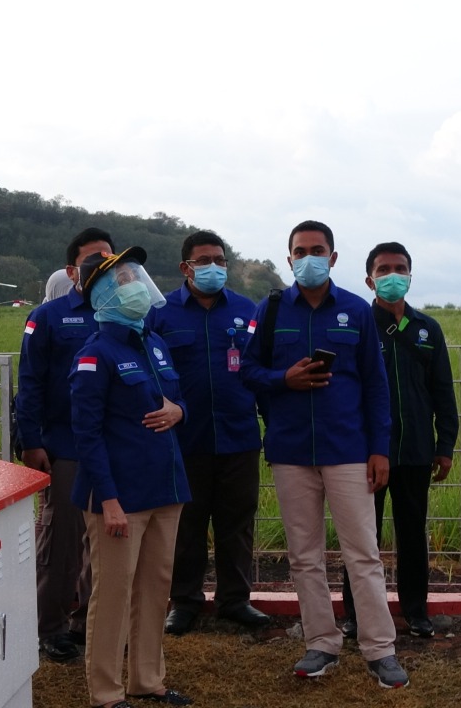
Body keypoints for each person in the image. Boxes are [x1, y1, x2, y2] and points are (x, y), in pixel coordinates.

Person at [239, 220, 409, 689]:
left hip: (349, 450)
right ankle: (321, 642)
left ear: (333, 258)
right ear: (288, 256)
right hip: (291, 451)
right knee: (304, 556)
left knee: (364, 553)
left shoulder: (355, 311)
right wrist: (282, 379)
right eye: (300, 251)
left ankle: (380, 649)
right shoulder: (270, 311)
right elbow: (247, 369)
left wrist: (380, 449)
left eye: (317, 250)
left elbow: (377, 388)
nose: (308, 258)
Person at [71, 247, 194, 708]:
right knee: (115, 593)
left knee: (155, 587)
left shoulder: (155, 343)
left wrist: (180, 410)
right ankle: (106, 691)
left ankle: (148, 680)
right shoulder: (94, 355)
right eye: (123, 279)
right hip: (120, 497)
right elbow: (86, 434)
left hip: (165, 489)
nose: (136, 285)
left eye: (135, 276)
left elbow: (181, 401)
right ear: (103, 293)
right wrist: (109, 500)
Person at [148, 230, 268, 635]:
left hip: (239, 436)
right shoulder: (160, 312)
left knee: (237, 523)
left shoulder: (247, 310)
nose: (214, 267)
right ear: (186, 267)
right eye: (204, 261)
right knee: (187, 526)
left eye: (220, 260)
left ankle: (235, 600)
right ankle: (185, 602)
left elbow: (261, 371)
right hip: (184, 440)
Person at [340, 242, 460, 641]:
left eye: (400, 268)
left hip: (415, 452)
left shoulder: (427, 329)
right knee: (363, 537)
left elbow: (443, 391)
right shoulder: (357, 324)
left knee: (412, 535)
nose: (392, 275)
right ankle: (357, 615)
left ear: (410, 275)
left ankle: (415, 612)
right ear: (369, 278)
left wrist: (445, 446)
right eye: (384, 268)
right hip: (367, 454)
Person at [17, 227, 114, 662]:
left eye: (109, 259)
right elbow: (31, 382)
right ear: (73, 269)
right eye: (94, 259)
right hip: (67, 445)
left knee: (107, 544)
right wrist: (31, 441)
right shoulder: (49, 316)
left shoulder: (126, 312)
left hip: (116, 448)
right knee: (63, 542)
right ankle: (50, 625)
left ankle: (87, 623)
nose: (102, 267)